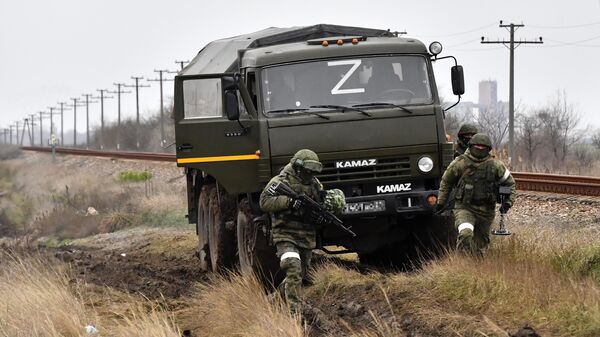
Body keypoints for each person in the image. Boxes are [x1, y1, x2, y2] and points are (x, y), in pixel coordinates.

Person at [259, 149, 345, 314]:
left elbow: (320, 203)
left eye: (313, 172)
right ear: (298, 168)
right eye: (308, 171)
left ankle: (274, 299)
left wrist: (323, 214)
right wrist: (289, 202)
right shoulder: (280, 181)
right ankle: (294, 312)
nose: (310, 175)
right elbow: (264, 202)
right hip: (284, 233)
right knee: (293, 268)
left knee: (299, 275)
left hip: (306, 235)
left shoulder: (315, 184)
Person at [436, 133, 516, 255]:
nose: (479, 150)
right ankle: (461, 261)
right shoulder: (460, 163)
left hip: (486, 211)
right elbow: (446, 182)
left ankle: (474, 264)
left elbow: (510, 184)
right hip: (464, 208)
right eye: (476, 147)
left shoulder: (496, 166)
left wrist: (508, 202)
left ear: (488, 149)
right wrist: (441, 202)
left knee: (479, 246)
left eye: (482, 148)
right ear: (471, 146)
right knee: (465, 233)